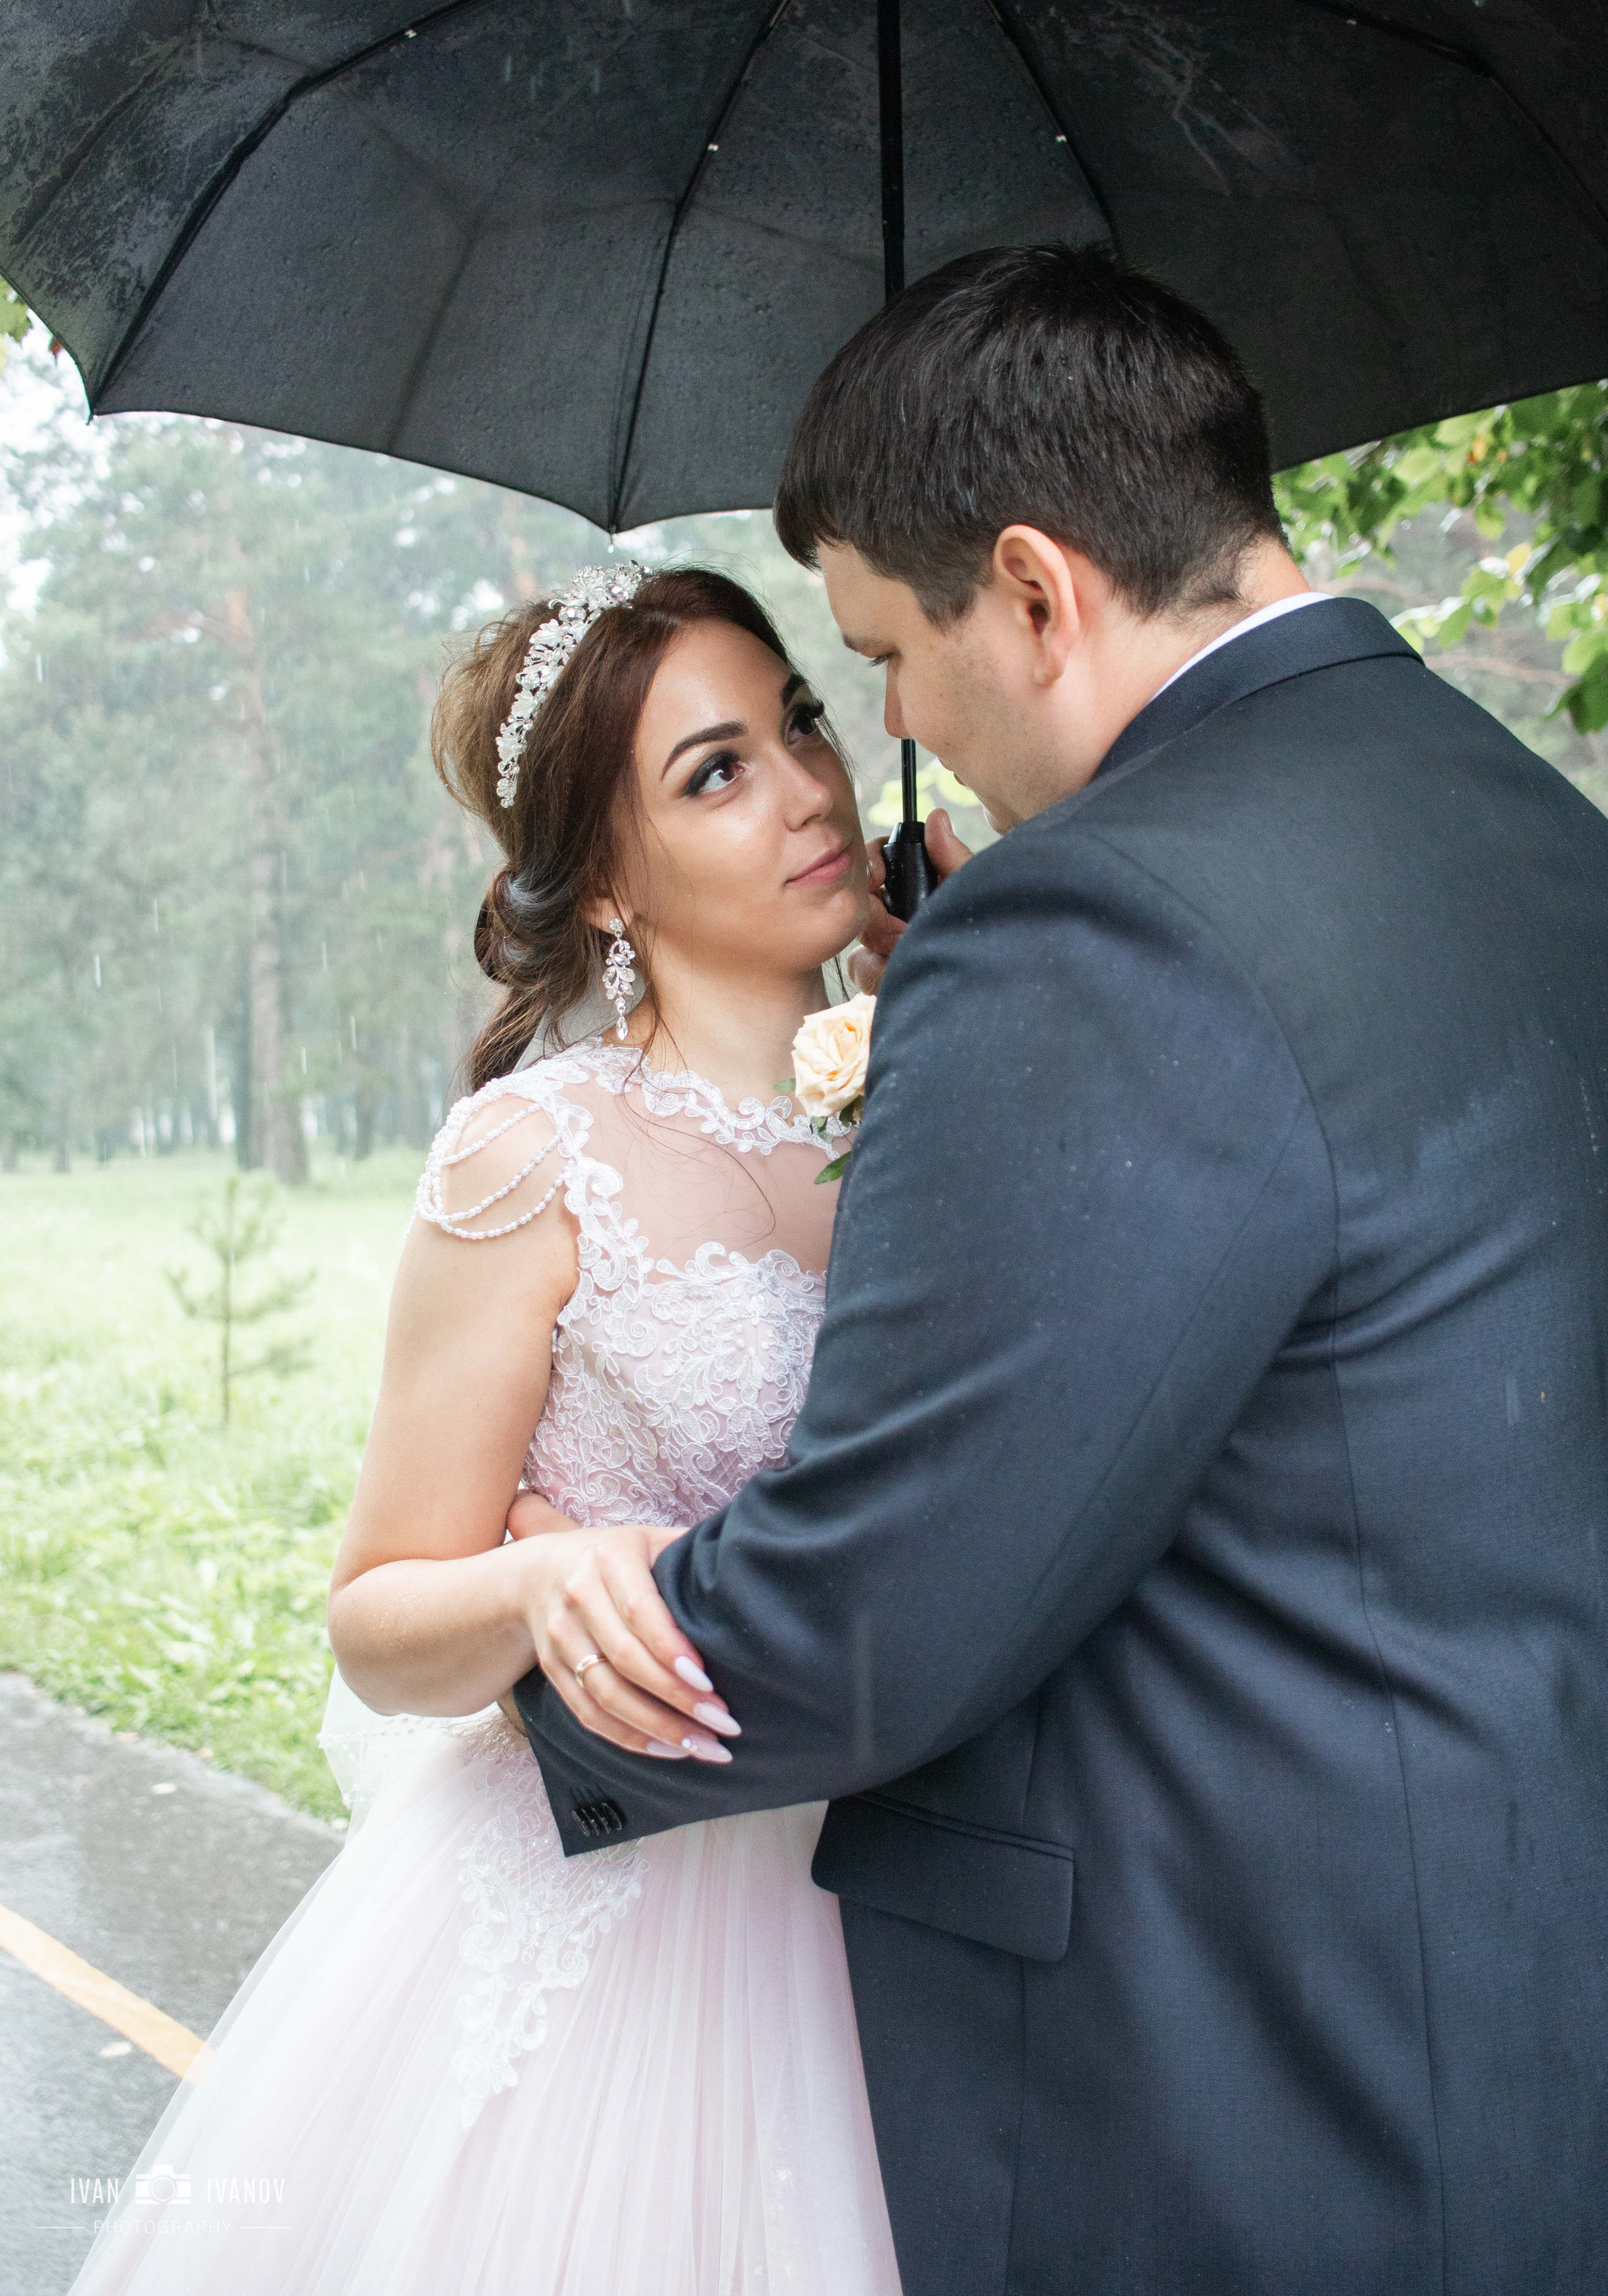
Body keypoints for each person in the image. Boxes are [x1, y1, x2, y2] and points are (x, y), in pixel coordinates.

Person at [508, 247, 1608, 2295]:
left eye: (885, 659)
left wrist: (528, 1670)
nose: (896, 737)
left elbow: (884, 1603)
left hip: (1232, 2078)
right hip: (1520, 1992)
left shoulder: (1098, 927)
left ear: (1032, 589)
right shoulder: (1539, 834)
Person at [68, 565, 902, 2296]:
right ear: (605, 879)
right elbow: (377, 1615)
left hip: (901, 1883)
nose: (809, 787)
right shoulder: (534, 1158)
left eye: (800, 720)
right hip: (620, 1918)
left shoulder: (932, 1084)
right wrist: (552, 1584)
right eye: (716, 770)